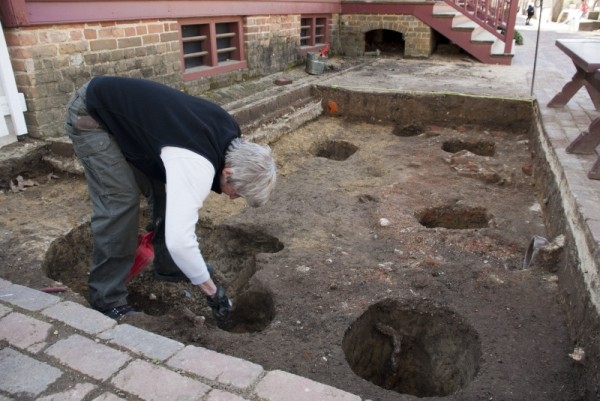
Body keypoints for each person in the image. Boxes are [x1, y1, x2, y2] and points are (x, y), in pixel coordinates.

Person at [64, 76, 277, 327]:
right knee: (120, 201)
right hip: (93, 116)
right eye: (236, 193)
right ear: (228, 173)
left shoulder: (230, 137)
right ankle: (107, 299)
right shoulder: (196, 165)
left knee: (166, 193)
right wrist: (211, 292)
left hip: (127, 121)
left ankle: (169, 266)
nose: (232, 198)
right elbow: (180, 241)